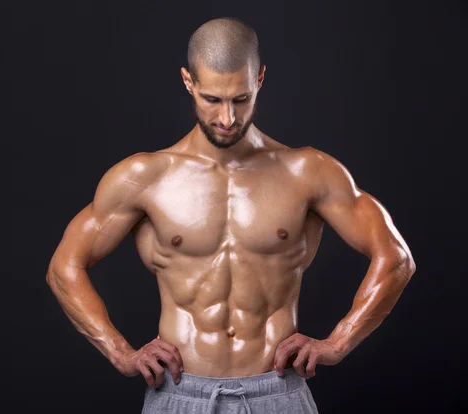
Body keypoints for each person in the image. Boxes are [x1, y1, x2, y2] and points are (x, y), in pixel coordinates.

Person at [46, 17, 416, 414]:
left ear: (260, 78)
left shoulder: (307, 172)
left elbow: (395, 258)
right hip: (179, 392)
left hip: (278, 393)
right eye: (212, 99)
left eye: (240, 99)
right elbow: (64, 267)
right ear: (188, 81)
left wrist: (338, 342)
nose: (227, 118)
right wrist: (120, 351)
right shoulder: (145, 177)